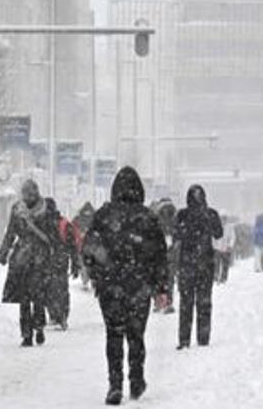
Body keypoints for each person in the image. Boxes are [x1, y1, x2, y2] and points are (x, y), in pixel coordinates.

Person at [82, 167, 170, 406]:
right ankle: (136, 378)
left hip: (111, 287)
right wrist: (162, 287)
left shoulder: (103, 216)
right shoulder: (148, 218)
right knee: (136, 334)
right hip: (139, 287)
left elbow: (88, 248)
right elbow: (160, 254)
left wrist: (96, 274)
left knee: (113, 334)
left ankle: (115, 384)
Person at [0, 180, 60, 346]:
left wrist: (56, 252)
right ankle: (26, 334)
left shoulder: (47, 209)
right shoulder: (17, 210)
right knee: (24, 298)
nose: (28, 197)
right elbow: (10, 232)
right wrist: (4, 252)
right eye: (25, 194)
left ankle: (38, 328)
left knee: (38, 297)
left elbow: (53, 233)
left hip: (41, 258)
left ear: (37, 193)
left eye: (31, 194)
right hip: (22, 259)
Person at [173, 185, 223, 349]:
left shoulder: (182, 215)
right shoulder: (210, 214)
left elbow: (176, 235)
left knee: (185, 303)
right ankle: (203, 338)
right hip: (205, 264)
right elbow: (218, 234)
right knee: (204, 302)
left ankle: (184, 339)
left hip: (186, 264)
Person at [50, 199, 81, 330]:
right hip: (61, 260)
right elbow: (72, 246)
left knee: (49, 289)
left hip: (48, 261)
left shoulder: (45, 223)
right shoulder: (64, 224)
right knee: (61, 289)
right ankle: (61, 315)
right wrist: (75, 263)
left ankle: (56, 315)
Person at [75, 202, 96, 291]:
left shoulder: (78, 219)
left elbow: (72, 229)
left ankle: (85, 281)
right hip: (92, 247)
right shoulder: (96, 218)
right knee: (93, 264)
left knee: (83, 265)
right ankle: (94, 280)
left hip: (80, 246)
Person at [213, 217, 234, 285]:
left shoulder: (230, 227)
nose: (223, 220)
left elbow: (232, 237)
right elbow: (212, 237)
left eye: (224, 218)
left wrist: (230, 245)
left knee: (225, 265)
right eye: (222, 218)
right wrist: (213, 245)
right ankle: (215, 276)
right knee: (216, 264)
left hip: (226, 249)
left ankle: (223, 278)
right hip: (217, 248)